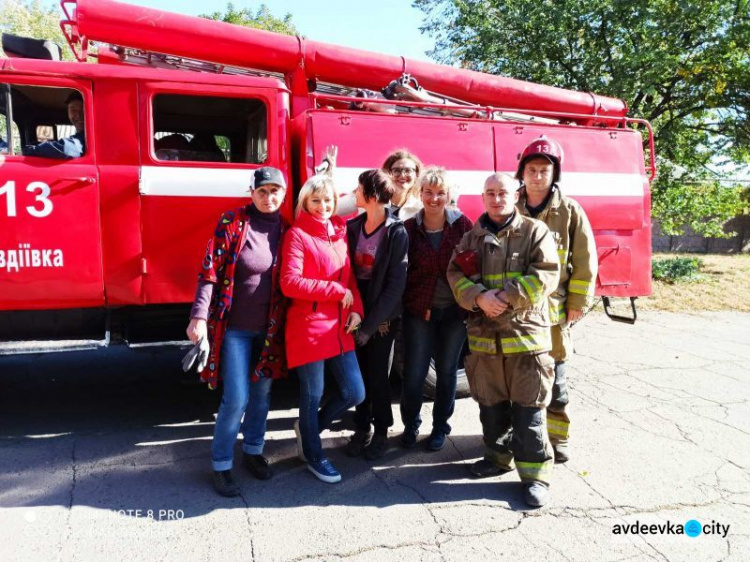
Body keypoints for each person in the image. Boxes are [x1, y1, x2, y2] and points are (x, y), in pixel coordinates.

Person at [447, 173, 560, 507]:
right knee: (491, 408)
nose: (497, 199)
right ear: (482, 197)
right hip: (484, 342)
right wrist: (479, 297)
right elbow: (454, 274)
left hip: (525, 340)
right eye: (490, 193)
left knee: (529, 411)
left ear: (516, 194)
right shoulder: (471, 237)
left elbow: (546, 273)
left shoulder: (534, 232)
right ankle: (496, 459)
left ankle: (535, 477)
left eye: (503, 193)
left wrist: (507, 297)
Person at [187, 166, 289, 497]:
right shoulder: (234, 222)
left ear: (283, 195)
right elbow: (210, 272)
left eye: (275, 191)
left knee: (261, 395)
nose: (268, 197)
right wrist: (199, 316)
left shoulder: (288, 230)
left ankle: (254, 452)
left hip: (271, 330)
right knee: (237, 398)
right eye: (262, 191)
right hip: (236, 330)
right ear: (252, 193)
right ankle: (221, 465)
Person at [514, 135, 597, 464]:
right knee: (519, 382)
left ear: (554, 174)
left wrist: (577, 302)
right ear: (521, 173)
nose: (537, 176)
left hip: (553, 312)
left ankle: (557, 439)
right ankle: (519, 437)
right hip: (518, 313)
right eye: (531, 169)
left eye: (543, 170)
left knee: (557, 383)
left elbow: (586, 261)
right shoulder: (509, 205)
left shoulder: (570, 211)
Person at [280, 170, 366, 484]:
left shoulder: (340, 232)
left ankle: (308, 428)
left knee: (355, 392)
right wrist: (335, 292)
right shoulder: (297, 235)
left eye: (327, 200)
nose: (322, 205)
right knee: (312, 393)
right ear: (305, 202)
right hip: (309, 326)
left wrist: (356, 307)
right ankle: (314, 455)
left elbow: (349, 278)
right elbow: (290, 283)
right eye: (315, 200)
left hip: (340, 325)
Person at [400, 167, 473, 451]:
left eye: (440, 193)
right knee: (415, 373)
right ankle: (410, 425)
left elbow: (475, 264)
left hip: (454, 314)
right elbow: (400, 273)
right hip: (420, 313)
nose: (434, 199)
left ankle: (440, 427)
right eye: (428, 192)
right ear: (420, 194)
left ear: (448, 195)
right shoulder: (409, 228)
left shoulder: (463, 225)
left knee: (446, 372)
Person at [344, 169, 408, 460]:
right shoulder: (354, 226)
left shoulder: (396, 231)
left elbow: (396, 285)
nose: (355, 194)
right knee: (358, 373)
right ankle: (362, 427)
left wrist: (369, 327)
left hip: (383, 315)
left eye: (358, 189)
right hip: (357, 309)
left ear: (370, 195)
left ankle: (381, 430)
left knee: (377, 374)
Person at [22, 91, 85, 159]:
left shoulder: (87, 137)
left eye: (83, 109)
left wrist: (26, 152)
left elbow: (67, 148)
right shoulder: (79, 136)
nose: (78, 115)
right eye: (73, 110)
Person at [381, 149, 423, 220]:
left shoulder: (421, 209)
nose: (402, 175)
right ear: (387, 173)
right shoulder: (371, 200)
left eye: (408, 170)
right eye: (396, 170)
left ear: (416, 175)